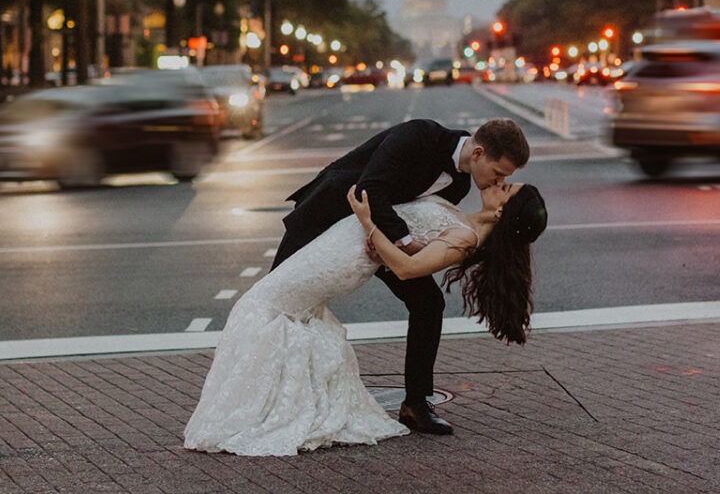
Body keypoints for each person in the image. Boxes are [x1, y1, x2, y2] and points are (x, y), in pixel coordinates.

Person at [183, 180, 548, 456]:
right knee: (274, 305)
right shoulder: (464, 224)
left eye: (506, 188)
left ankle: (253, 412)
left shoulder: (467, 238)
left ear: (503, 212)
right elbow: (417, 248)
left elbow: (406, 270)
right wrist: (390, 241)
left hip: (347, 251)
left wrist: (369, 223)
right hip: (345, 241)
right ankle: (277, 398)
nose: (499, 182)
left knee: (261, 304)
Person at [268, 117, 530, 434]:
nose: (497, 182)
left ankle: (415, 405)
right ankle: (270, 401)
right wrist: (403, 242)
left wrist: (389, 244)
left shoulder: (460, 183)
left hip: (377, 235)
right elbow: (369, 188)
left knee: (429, 303)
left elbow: (417, 211)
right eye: (498, 172)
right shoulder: (420, 135)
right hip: (328, 218)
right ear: (478, 153)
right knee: (275, 306)